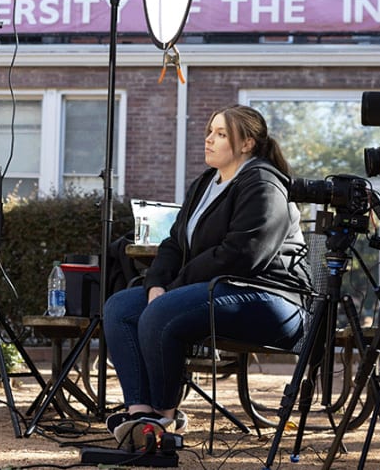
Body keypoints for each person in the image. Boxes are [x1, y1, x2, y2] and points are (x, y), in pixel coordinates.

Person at [102, 104, 312, 442]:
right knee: (121, 308)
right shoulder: (205, 184)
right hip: (218, 290)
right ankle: (139, 414)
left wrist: (171, 290)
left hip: (272, 299)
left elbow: (242, 255)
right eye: (209, 132)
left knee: (162, 311)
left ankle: (164, 416)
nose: (208, 140)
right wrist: (156, 283)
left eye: (221, 134)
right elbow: (174, 242)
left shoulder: (263, 183)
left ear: (247, 144)